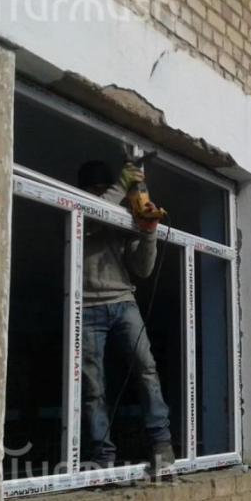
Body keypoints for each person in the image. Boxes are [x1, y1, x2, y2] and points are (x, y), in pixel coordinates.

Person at [77, 160, 174, 470]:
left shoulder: (120, 219)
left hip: (123, 301)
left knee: (146, 368)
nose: (100, 195)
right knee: (93, 387)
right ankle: (102, 456)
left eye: (102, 190)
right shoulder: (78, 214)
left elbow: (143, 269)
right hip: (86, 306)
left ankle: (161, 443)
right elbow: (90, 217)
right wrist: (120, 186)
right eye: (95, 191)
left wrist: (148, 232)